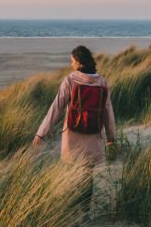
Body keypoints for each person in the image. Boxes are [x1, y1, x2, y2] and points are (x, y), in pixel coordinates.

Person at [33, 45, 117, 212]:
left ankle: (72, 209)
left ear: (79, 63)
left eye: (72, 61)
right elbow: (108, 113)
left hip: (72, 137)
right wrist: (110, 138)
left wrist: (41, 133)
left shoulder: (70, 80)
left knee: (71, 172)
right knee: (88, 175)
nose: (71, 64)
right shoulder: (102, 83)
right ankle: (85, 209)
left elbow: (55, 108)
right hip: (94, 137)